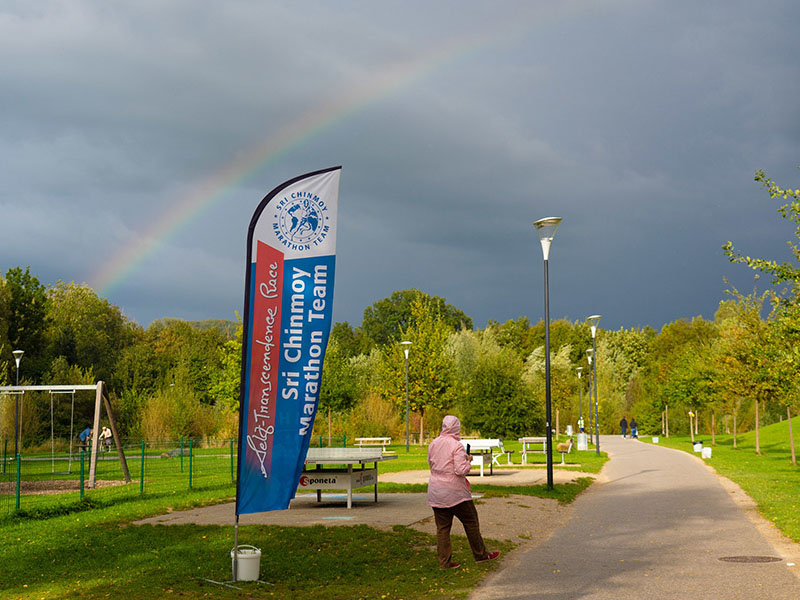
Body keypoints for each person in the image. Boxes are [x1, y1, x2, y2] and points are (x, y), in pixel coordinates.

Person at [427, 415, 500, 569]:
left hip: (436, 490)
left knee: (443, 528)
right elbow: (460, 470)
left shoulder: (433, 444)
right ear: (456, 428)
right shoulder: (457, 446)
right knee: (471, 521)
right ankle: (481, 554)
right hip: (455, 492)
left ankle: (445, 562)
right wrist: (468, 461)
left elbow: (431, 463)